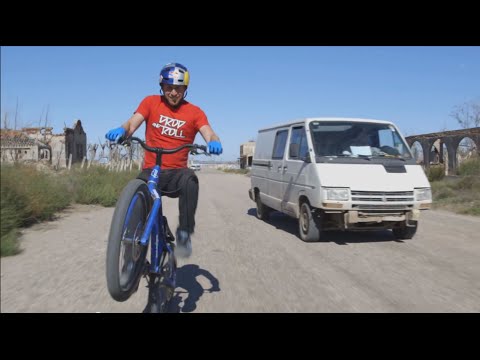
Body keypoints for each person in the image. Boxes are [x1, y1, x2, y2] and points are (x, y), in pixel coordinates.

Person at [105, 62, 222, 258]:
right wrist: (122, 130)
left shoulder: (195, 112)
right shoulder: (150, 102)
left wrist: (213, 142)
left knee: (191, 181)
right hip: (152, 170)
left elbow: (209, 133)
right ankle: (129, 260)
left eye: (178, 88)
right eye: (169, 87)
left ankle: (184, 233)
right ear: (162, 87)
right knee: (135, 195)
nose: (173, 92)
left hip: (177, 172)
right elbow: (132, 123)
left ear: (185, 89)